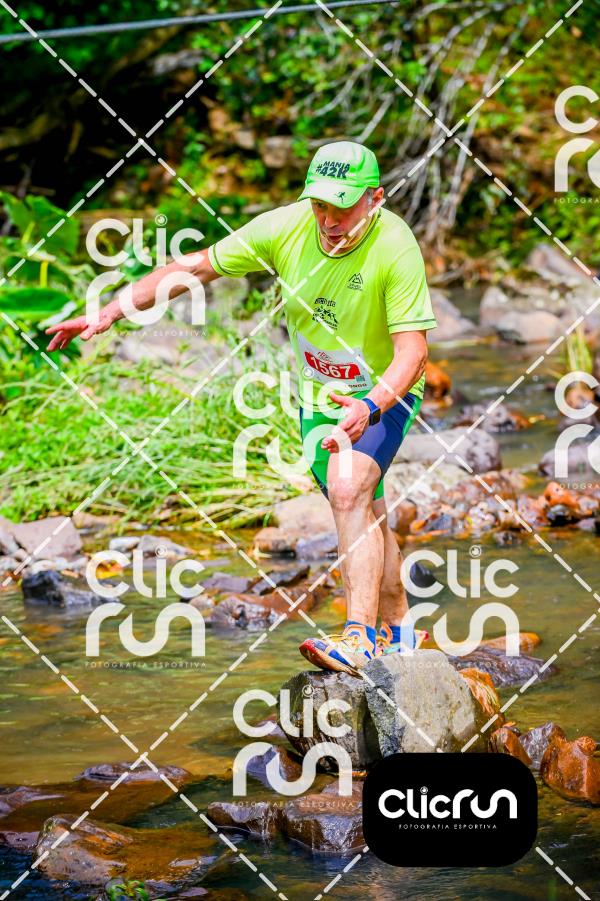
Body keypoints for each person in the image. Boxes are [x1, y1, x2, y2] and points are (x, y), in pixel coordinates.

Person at [46, 141, 437, 675]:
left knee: (348, 490)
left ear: (375, 199)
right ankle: (400, 630)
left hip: (383, 391)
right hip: (319, 397)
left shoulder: (395, 246)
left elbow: (413, 353)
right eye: (319, 204)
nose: (328, 220)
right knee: (366, 512)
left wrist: (370, 405)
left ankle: (359, 639)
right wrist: (111, 310)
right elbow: (195, 267)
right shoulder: (285, 227)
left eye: (343, 207)